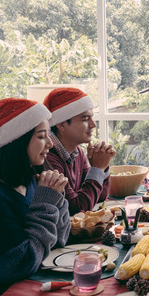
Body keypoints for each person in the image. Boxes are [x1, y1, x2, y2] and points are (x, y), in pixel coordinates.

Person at [0, 98, 70, 296]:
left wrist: (57, 198)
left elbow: (60, 240)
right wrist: (46, 203)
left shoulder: (30, 177)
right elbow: (15, 266)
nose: (50, 143)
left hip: (25, 278)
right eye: (42, 137)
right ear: (18, 142)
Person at [43, 87, 116, 215]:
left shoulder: (77, 152)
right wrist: (97, 168)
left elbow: (99, 197)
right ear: (61, 125)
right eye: (85, 119)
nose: (93, 124)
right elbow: (78, 209)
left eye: (92, 118)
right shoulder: (47, 158)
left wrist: (102, 166)